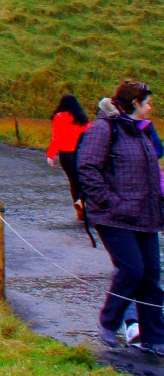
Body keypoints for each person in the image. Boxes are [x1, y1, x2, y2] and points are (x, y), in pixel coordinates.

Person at [77, 80, 164, 353]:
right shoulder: (105, 129)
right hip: (114, 217)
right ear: (135, 103)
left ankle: (155, 336)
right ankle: (109, 322)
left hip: (145, 216)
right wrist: (110, 202)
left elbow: (153, 174)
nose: (151, 106)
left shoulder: (142, 132)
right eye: (147, 101)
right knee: (132, 269)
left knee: (151, 273)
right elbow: (88, 168)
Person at [49, 94, 91, 223]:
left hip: (66, 154)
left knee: (72, 181)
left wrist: (51, 155)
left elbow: (56, 137)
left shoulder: (59, 117)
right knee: (82, 179)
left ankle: (79, 208)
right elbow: (89, 136)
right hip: (81, 153)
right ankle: (84, 202)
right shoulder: (83, 119)